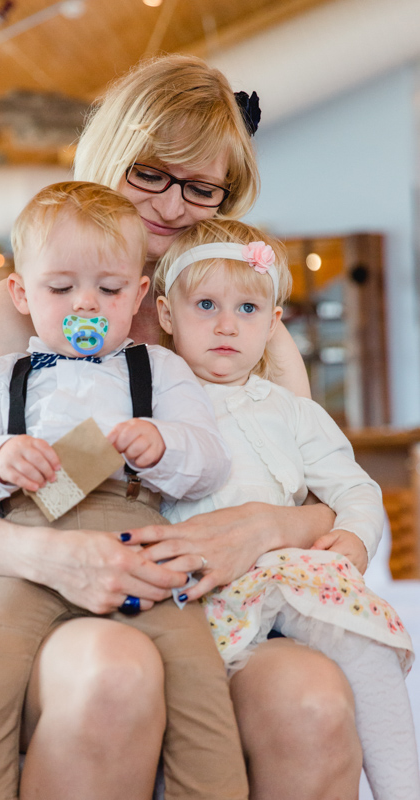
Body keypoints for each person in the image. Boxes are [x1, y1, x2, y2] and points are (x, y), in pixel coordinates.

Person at [0, 54, 359, 800]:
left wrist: (263, 524)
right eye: (150, 173)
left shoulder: (243, 325)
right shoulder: (28, 309)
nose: (172, 206)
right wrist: (61, 556)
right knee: (115, 672)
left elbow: (316, 488)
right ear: (111, 151)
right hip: (41, 585)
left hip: (217, 604)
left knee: (311, 698)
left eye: (199, 186)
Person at [0, 180, 248, 800]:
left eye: (111, 289)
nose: (85, 305)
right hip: (24, 551)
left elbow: (212, 459)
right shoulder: (4, 376)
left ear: (139, 293)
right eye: (61, 289)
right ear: (21, 293)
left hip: (137, 543)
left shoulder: (159, 368)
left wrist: (162, 443)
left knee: (202, 689)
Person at [150, 216, 419, 800]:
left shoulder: (292, 411)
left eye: (248, 310)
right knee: (188, 716)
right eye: (205, 305)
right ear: (167, 315)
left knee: (362, 641)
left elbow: (357, 489)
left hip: (285, 575)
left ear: (273, 323)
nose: (227, 325)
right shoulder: (149, 401)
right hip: (195, 592)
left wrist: (353, 538)